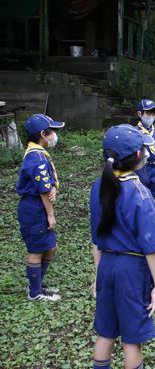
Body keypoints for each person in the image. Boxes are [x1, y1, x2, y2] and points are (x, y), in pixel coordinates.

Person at [90, 124, 155, 369]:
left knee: (106, 332)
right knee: (132, 339)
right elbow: (151, 247)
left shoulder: (98, 187)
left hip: (106, 265)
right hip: (131, 271)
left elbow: (96, 240)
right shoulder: (139, 193)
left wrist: (97, 275)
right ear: (137, 156)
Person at [16, 113, 65, 301]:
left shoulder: (37, 153)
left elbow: (45, 184)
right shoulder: (36, 157)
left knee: (50, 247)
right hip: (35, 208)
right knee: (37, 249)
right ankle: (35, 293)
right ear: (43, 134)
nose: (54, 135)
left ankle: (36, 285)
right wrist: (50, 215)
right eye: (52, 131)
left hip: (37, 205)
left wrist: (52, 186)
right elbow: (43, 191)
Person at [135, 99, 155, 199]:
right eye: (148, 112)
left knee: (154, 194)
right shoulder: (134, 132)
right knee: (141, 195)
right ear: (140, 114)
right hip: (142, 168)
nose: (152, 116)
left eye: (154, 113)